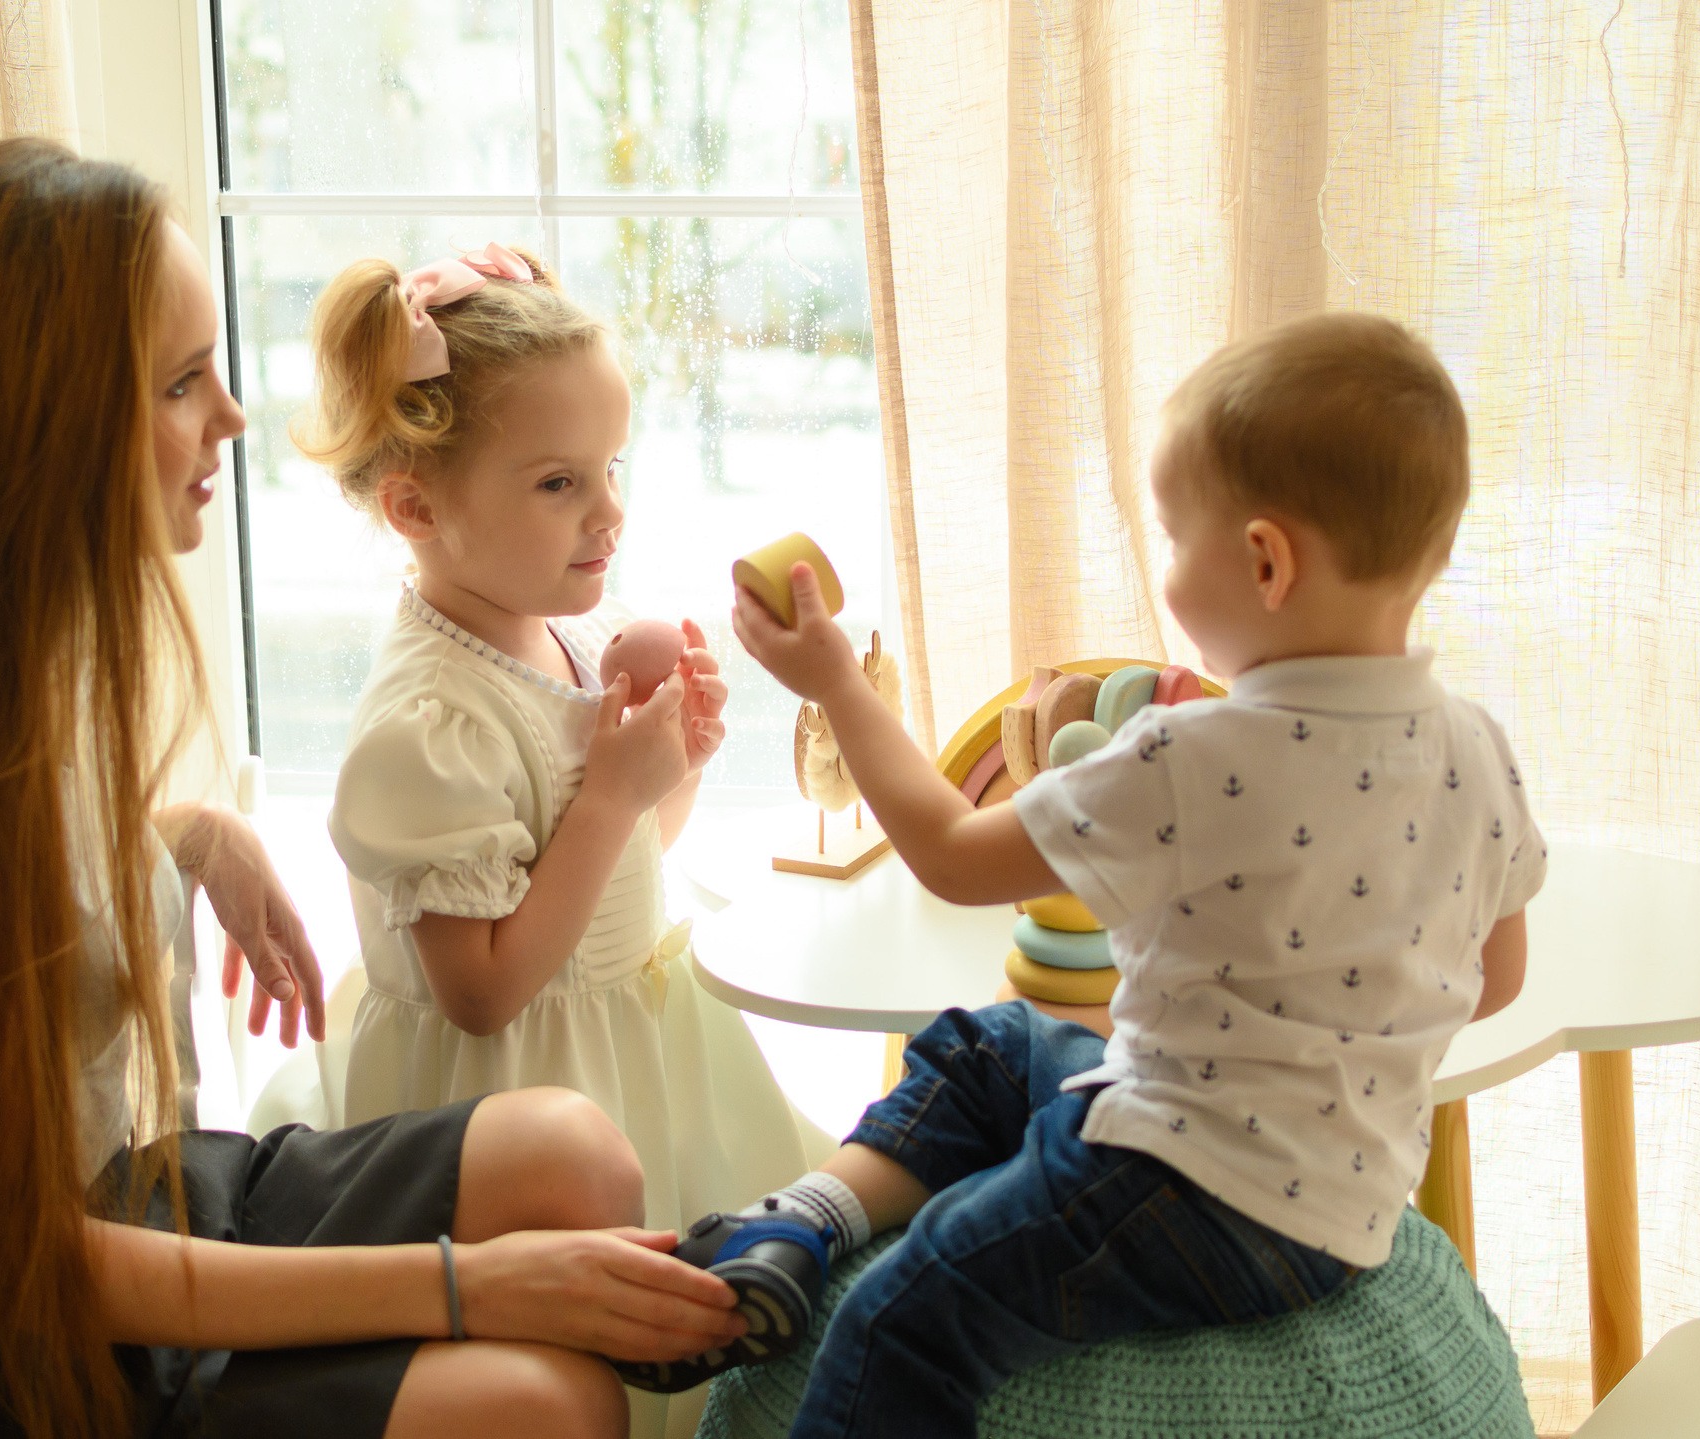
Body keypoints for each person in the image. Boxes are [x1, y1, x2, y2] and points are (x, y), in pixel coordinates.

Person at [0, 139, 746, 1439]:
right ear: (35, 431)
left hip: (145, 1195)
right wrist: (466, 1282)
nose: (232, 416)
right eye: (180, 382)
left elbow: (24, 876)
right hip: (36, 1348)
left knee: (579, 1153)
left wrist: (191, 834)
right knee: (545, 1399)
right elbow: (33, 1265)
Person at [643, 312, 1546, 1436]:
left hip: (1183, 1191)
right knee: (998, 1045)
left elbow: (949, 852)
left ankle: (827, 1247)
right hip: (1347, 1203)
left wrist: (836, 681)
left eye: (1173, 539)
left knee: (894, 1316)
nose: (1165, 570)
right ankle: (804, 1219)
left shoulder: (1194, 758)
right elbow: (1496, 974)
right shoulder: (1478, 750)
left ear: (1265, 561)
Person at [301, 243, 818, 1250]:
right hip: (515, 1109)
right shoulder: (428, 726)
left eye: (612, 468)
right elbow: (484, 992)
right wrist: (613, 797)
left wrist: (672, 768)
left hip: (625, 1051)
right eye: (557, 482)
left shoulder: (579, 636)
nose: (610, 510)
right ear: (416, 507)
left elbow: (614, 876)